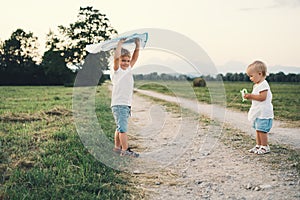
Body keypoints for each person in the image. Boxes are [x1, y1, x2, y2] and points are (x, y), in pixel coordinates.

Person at [110, 38, 140, 158]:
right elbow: (116, 58)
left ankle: (117, 148)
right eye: (123, 60)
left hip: (125, 104)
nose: (126, 63)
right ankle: (125, 150)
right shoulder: (117, 71)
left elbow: (135, 58)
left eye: (127, 61)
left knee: (119, 127)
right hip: (119, 104)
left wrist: (137, 45)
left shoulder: (127, 69)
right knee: (123, 129)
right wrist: (119, 44)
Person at [244, 60, 274, 155]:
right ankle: (258, 145)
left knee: (262, 130)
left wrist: (250, 96)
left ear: (260, 74)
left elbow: (262, 97)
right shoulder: (256, 85)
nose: (250, 78)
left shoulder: (264, 84)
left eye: (251, 76)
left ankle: (265, 146)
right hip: (258, 112)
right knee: (257, 129)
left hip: (264, 113)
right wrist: (249, 96)